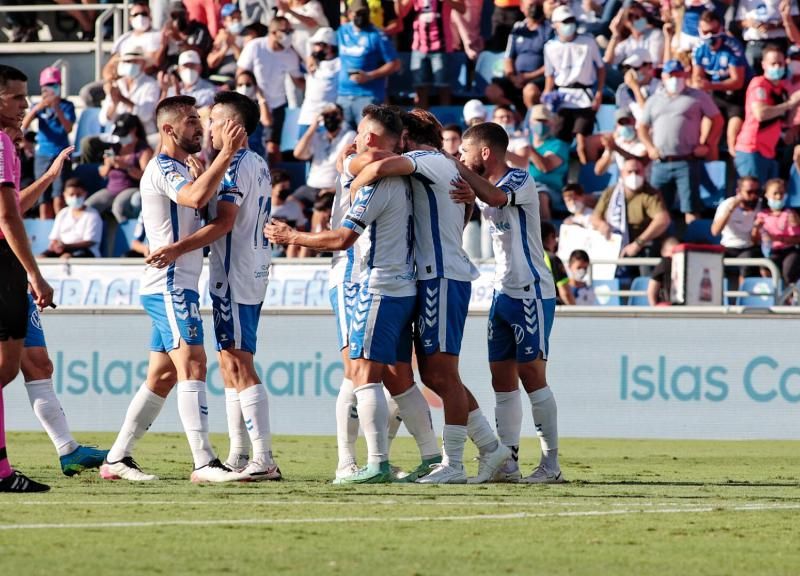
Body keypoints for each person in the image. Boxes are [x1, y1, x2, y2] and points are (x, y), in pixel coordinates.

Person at [266, 105, 439, 484]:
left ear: (372, 140)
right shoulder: (412, 170)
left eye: (360, 134)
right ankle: (431, 456)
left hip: (366, 279)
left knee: (358, 371)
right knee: (395, 374)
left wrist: (291, 236)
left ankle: (365, 463)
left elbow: (344, 236)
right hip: (399, 281)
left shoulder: (377, 174)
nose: (353, 141)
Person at [349, 108, 507, 484]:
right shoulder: (440, 165)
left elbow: (377, 167)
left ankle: (454, 463)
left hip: (442, 278)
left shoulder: (426, 159)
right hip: (435, 277)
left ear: (406, 138)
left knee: (442, 374)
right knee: (436, 374)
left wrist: (355, 183)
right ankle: (491, 448)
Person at [99, 95, 247, 483]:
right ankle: (204, 462)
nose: (199, 127)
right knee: (193, 364)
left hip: (178, 284)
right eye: (190, 121)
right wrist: (226, 155)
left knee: (162, 377)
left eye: (200, 120)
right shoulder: (163, 167)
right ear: (168, 129)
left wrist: (208, 170)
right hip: (169, 284)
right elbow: (194, 198)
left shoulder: (182, 167)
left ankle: (117, 458)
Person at [145, 92, 280, 481]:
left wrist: (176, 249)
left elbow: (223, 222)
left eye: (214, 120)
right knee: (229, 362)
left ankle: (264, 458)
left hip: (234, 272)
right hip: (248, 268)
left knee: (237, 362)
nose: (208, 127)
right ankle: (240, 454)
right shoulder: (253, 162)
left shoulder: (236, 163)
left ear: (234, 126)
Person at [454, 121, 563, 484]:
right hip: (502, 291)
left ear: (485, 152)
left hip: (532, 290)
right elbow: (480, 204)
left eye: (464, 152)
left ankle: (551, 464)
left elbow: (497, 198)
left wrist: (455, 168)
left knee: (532, 376)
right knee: (501, 379)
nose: (461, 158)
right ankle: (508, 462)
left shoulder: (519, 179)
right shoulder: (482, 186)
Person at [0, 64, 54, 492]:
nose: (25, 105)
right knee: (5, 369)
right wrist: (34, 275)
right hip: (3, 263)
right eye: (17, 97)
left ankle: (1, 470)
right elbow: (7, 215)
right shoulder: (1, 142)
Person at [638, 59, 723, 224]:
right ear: (663, 76)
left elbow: (717, 120)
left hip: (687, 160)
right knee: (657, 208)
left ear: (684, 75)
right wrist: (649, 147)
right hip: (660, 162)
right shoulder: (654, 100)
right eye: (670, 75)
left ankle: (693, 241)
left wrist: (706, 144)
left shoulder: (697, 96)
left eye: (677, 74)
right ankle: (659, 244)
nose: (674, 78)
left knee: (691, 208)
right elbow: (642, 127)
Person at [237, 16, 305, 163]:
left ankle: (274, 181)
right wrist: (255, 94)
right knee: (248, 147)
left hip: (277, 105)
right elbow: (241, 73)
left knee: (273, 149)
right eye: (285, 31)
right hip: (252, 104)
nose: (289, 34)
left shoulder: (290, 55)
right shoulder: (255, 46)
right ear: (273, 32)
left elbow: (299, 80)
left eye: (290, 30)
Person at [543, 5, 605, 165]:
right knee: (560, 142)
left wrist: (598, 93)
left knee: (582, 144)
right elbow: (550, 76)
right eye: (564, 21)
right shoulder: (550, 47)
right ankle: (565, 180)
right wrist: (547, 96)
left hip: (584, 98)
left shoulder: (588, 41)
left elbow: (601, 69)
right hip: (562, 98)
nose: (568, 24)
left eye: (571, 20)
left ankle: (580, 182)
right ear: (555, 24)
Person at [734, 45, 800, 183]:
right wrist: (789, 104)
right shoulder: (759, 84)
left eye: (780, 63)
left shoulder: (782, 88)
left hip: (769, 150)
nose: (777, 67)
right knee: (752, 194)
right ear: (764, 64)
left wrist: (795, 104)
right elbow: (761, 113)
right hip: (751, 149)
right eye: (773, 63)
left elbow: (787, 120)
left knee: (766, 196)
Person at [336, 0, 401, 128]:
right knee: (344, 141)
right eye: (357, 13)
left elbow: (395, 64)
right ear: (349, 14)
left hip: (368, 96)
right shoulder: (341, 31)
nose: (361, 17)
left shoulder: (377, 34)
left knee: (367, 140)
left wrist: (369, 76)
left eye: (364, 13)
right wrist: (312, 58)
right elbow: (327, 48)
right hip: (343, 95)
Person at [21, 67, 75, 220]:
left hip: (61, 153)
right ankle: (46, 232)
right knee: (43, 196)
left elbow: (68, 128)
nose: (51, 89)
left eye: (54, 85)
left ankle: (60, 229)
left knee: (59, 195)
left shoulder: (67, 106)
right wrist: (37, 108)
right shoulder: (39, 106)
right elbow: (24, 125)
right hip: (43, 155)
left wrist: (56, 108)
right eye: (47, 86)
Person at [692, 10, 749, 157]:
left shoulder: (732, 47)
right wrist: (701, 85)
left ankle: (741, 176)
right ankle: (710, 172)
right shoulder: (699, 49)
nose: (710, 36)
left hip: (736, 96)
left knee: (733, 138)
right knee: (707, 137)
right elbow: (697, 78)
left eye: (714, 31)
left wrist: (710, 85)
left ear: (721, 29)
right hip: (715, 95)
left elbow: (737, 81)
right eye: (706, 32)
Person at [592, 158, 671, 259]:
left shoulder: (650, 194)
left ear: (644, 173)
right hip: (612, 244)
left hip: (641, 246)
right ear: (622, 174)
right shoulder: (611, 192)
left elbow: (663, 220)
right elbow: (594, 217)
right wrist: (601, 225)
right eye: (629, 172)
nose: (634, 175)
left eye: (637, 172)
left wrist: (639, 242)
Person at [397, 0, 466, 108]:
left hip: (441, 47)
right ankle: (421, 120)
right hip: (419, 47)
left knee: (443, 86)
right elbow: (401, 13)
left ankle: (444, 118)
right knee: (420, 88)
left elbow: (463, 9)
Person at [88, 114, 154, 223]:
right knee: (88, 208)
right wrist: (108, 164)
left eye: (124, 134)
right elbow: (103, 173)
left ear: (134, 130)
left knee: (119, 207)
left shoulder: (144, 150)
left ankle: (127, 238)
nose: (121, 138)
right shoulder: (115, 147)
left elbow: (146, 177)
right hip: (111, 189)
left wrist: (126, 166)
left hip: (131, 188)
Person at [489, 0, 551, 113]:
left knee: (530, 92)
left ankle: (530, 121)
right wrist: (513, 77)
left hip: (538, 79)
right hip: (516, 78)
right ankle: (517, 114)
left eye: (537, 5)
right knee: (492, 91)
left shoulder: (549, 29)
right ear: (522, 7)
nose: (534, 8)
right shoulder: (518, 28)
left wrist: (528, 76)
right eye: (531, 5)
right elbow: (508, 57)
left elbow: (552, 64)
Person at [292, 104, 356, 211]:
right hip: (311, 187)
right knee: (288, 204)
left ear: (342, 117)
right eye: (326, 115)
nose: (330, 118)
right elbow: (298, 154)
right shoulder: (317, 137)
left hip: (333, 189)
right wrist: (313, 127)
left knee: (321, 209)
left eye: (334, 114)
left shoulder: (349, 136)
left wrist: (333, 189)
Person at [711, 176, 762, 288]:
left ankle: (742, 299)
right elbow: (715, 231)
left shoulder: (761, 206)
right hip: (728, 247)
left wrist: (756, 228)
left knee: (747, 261)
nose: (754, 196)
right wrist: (730, 210)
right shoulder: (726, 204)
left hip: (749, 246)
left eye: (757, 192)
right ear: (739, 192)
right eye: (749, 192)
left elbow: (756, 240)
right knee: (712, 263)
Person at [99, 48, 161, 135]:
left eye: (134, 62)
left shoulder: (151, 84)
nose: (130, 64)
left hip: (144, 135)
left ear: (143, 64)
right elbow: (104, 120)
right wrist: (114, 103)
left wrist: (122, 99)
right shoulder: (117, 84)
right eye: (127, 62)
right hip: (119, 134)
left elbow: (146, 115)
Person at [753, 178, 800, 286]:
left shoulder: (791, 215)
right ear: (766, 195)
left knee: (788, 270)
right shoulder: (761, 216)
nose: (778, 197)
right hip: (772, 252)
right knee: (766, 268)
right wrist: (756, 228)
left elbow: (797, 239)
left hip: (790, 250)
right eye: (775, 193)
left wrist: (778, 238)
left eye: (781, 193)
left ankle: (790, 298)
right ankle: (772, 295)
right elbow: (755, 240)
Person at [41, 179, 102, 259]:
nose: (75, 198)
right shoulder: (62, 213)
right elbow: (54, 238)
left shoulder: (93, 215)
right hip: (63, 249)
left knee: (67, 258)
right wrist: (55, 245)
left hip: (85, 251)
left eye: (78, 195)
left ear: (85, 194)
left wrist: (66, 247)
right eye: (71, 195)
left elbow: (90, 242)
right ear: (65, 195)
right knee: (41, 257)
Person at [527, 104, 569, 218]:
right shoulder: (520, 142)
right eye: (538, 120)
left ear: (552, 124)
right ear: (530, 123)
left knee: (539, 195)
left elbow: (546, 166)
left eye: (545, 121)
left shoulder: (558, 145)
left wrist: (527, 148)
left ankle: (545, 233)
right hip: (520, 186)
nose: (541, 124)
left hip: (549, 190)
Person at [298, 27, 341, 137]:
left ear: (329, 46)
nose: (315, 48)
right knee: (301, 152)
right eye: (315, 44)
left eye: (318, 44)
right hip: (306, 116)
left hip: (325, 118)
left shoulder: (339, 63)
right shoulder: (311, 62)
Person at [605, 2, 664, 70]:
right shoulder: (627, 42)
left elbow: (656, 62)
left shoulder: (655, 34)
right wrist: (615, 34)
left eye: (638, 17)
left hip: (649, 77)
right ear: (626, 21)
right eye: (630, 16)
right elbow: (608, 61)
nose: (634, 20)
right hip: (629, 76)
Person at [595, 106, 648, 176]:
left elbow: (640, 161)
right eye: (621, 123)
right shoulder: (617, 142)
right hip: (625, 183)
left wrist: (615, 148)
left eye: (627, 121)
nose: (625, 125)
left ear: (634, 121)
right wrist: (609, 149)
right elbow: (598, 171)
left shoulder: (644, 139)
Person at [614, 50, 661, 120]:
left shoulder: (660, 87)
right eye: (629, 68)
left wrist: (636, 89)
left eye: (636, 68)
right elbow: (622, 120)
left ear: (649, 66)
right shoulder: (623, 89)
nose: (632, 72)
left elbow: (649, 116)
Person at [207, 3, 245, 76]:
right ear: (224, 21)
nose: (236, 21)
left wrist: (233, 44)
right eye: (233, 18)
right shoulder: (220, 37)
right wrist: (224, 49)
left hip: (238, 77)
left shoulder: (248, 35)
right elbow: (211, 63)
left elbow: (245, 62)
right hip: (221, 77)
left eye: (238, 17)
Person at [541, 220, 574, 305]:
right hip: (552, 308)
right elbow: (565, 292)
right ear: (551, 236)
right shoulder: (552, 258)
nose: (556, 242)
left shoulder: (529, 255)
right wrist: (575, 312)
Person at [647, 236, 679, 305]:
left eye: (676, 252)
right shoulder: (664, 264)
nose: (673, 256)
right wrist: (654, 309)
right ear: (663, 252)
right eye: (671, 252)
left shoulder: (682, 264)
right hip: (665, 307)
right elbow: (651, 290)